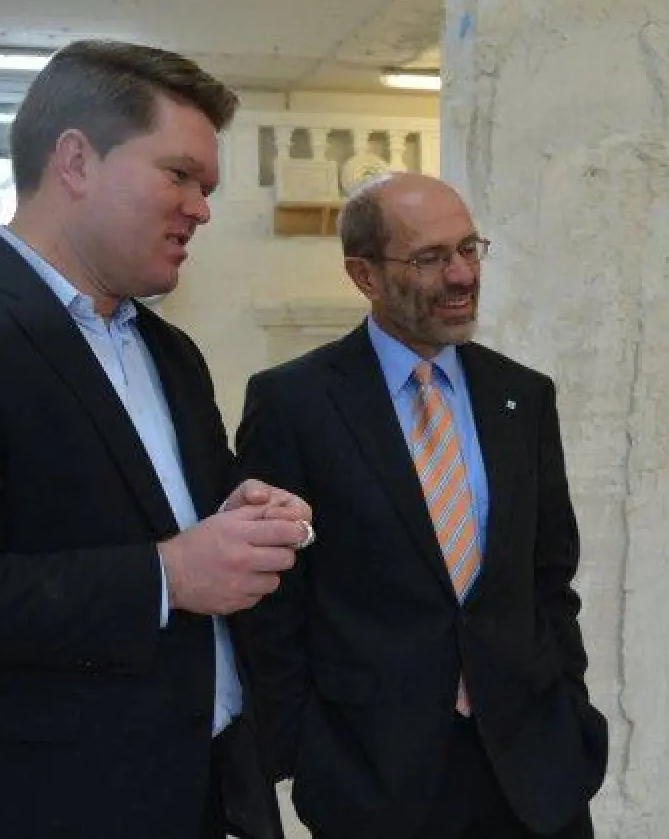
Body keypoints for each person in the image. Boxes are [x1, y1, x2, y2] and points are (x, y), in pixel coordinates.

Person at [0, 39, 313, 839]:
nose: (201, 207)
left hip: (206, 794)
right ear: (76, 161)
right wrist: (166, 576)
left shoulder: (169, 351)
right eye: (180, 175)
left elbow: (179, 521)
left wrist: (248, 513)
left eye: (207, 186)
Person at [235, 172, 607, 838]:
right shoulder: (294, 404)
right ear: (365, 275)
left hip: (532, 773)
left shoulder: (523, 397)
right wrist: (305, 751)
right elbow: (273, 605)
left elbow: (549, 579)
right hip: (377, 782)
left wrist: (571, 712)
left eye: (469, 249)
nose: (462, 275)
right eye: (431, 258)